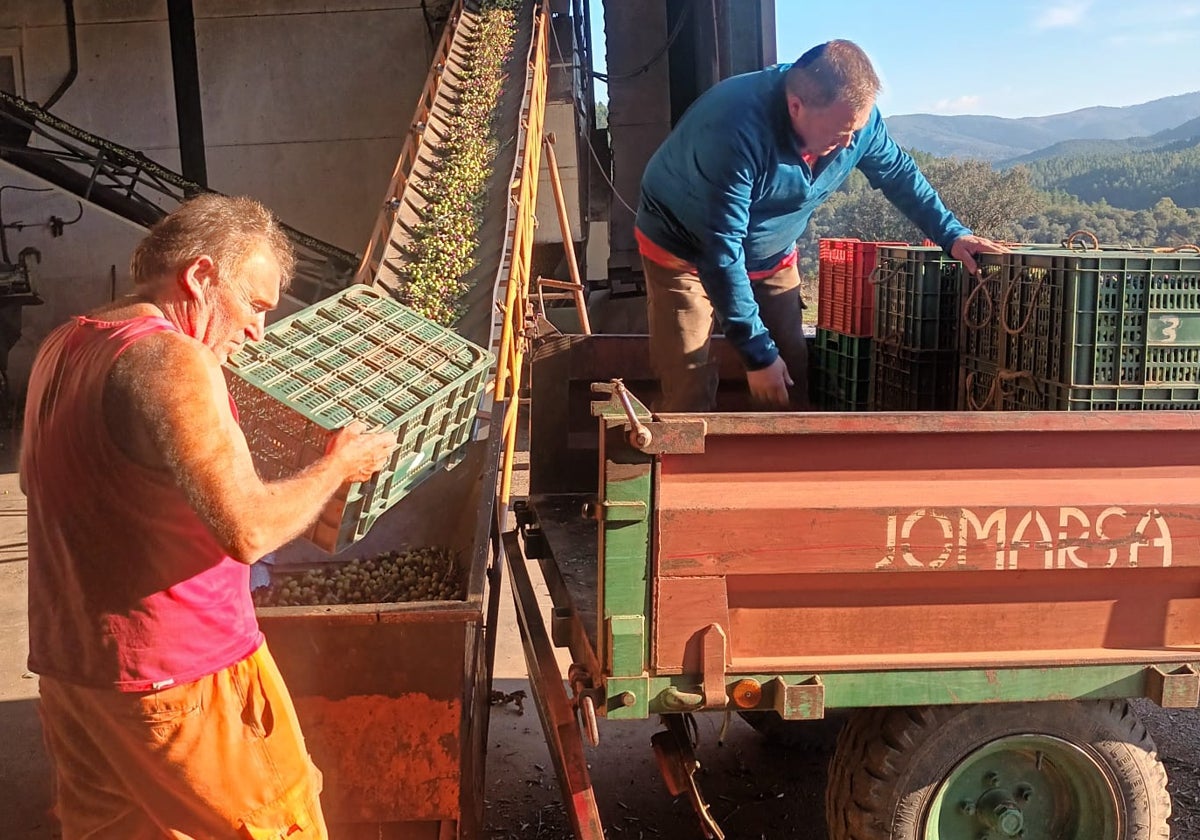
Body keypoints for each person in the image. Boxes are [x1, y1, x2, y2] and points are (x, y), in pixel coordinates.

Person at [21, 194, 397, 839]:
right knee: (277, 825)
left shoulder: (65, 343)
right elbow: (248, 530)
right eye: (254, 305)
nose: (257, 330)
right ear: (199, 277)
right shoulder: (171, 360)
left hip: (77, 675)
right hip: (181, 676)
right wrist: (339, 465)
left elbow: (81, 489)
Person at [636, 39, 1007, 411]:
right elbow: (720, 252)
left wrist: (951, 233)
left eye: (855, 131)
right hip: (683, 250)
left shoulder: (856, 126)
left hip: (772, 253)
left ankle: (783, 463)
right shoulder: (732, 129)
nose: (849, 144)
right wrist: (756, 353)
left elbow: (899, 174)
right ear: (796, 107)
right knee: (688, 380)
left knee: (791, 371)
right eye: (840, 133)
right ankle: (692, 464)